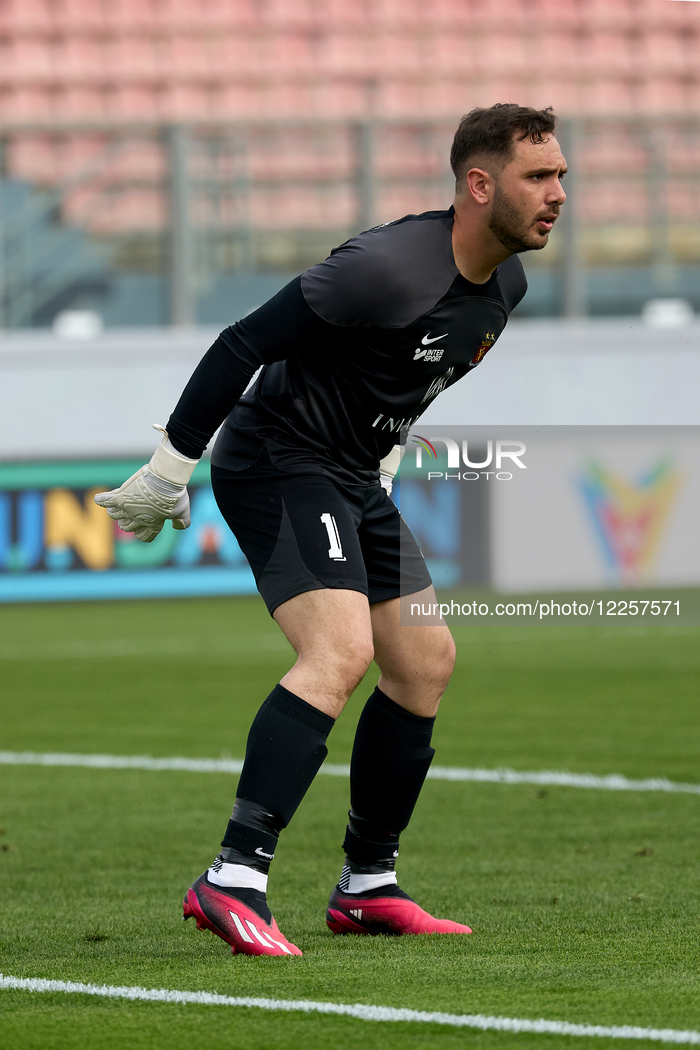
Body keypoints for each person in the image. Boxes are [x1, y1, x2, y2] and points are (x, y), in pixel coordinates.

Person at [95, 103, 567, 957]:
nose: (559, 192)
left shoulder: (507, 287)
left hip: (354, 475)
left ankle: (367, 886)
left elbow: (404, 378)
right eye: (540, 176)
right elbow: (242, 344)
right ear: (478, 183)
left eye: (561, 174)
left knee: (424, 663)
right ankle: (234, 875)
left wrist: (382, 463)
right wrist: (171, 469)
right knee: (338, 653)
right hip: (276, 458)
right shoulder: (380, 266)